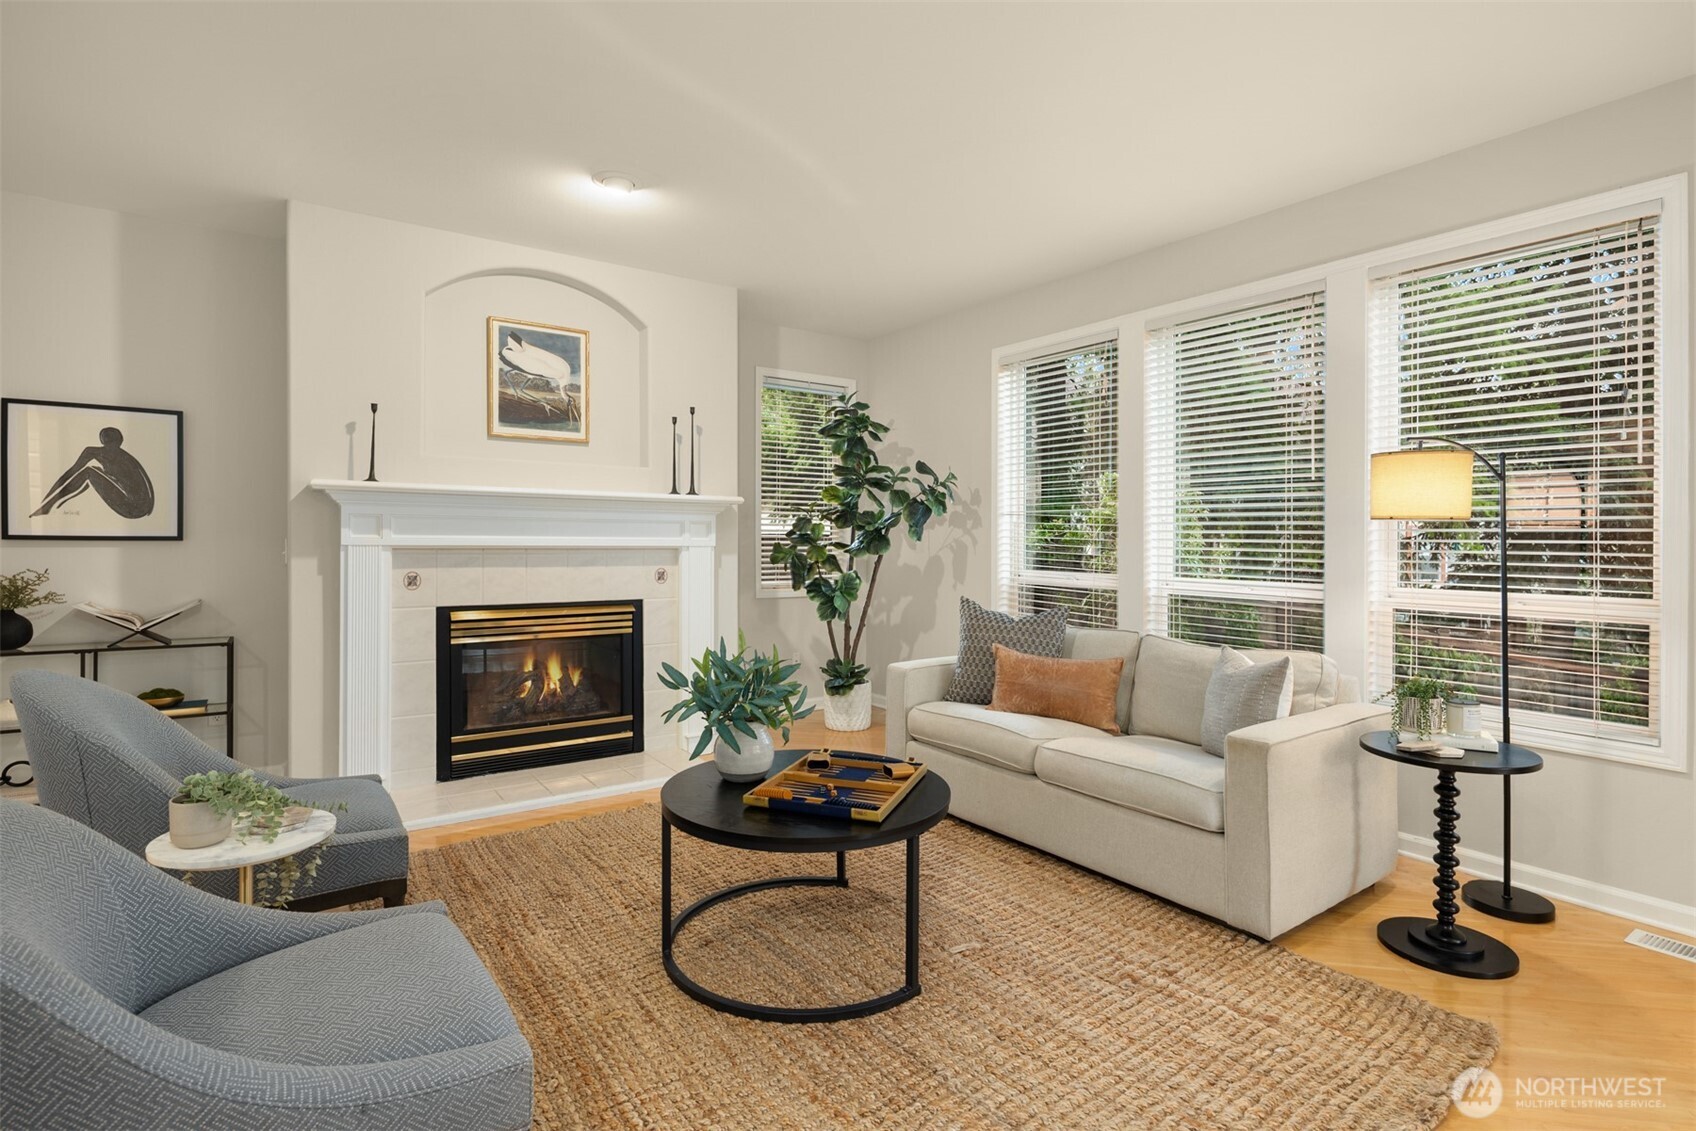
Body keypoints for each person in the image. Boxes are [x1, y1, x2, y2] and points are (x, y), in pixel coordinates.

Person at [30, 427, 155, 519]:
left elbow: (72, 472)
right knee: (94, 470)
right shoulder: (126, 456)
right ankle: (49, 505)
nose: (112, 449)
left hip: (132, 507)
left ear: (102, 440)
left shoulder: (94, 452)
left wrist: (48, 498)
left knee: (88, 472)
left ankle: (47, 507)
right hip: (141, 508)